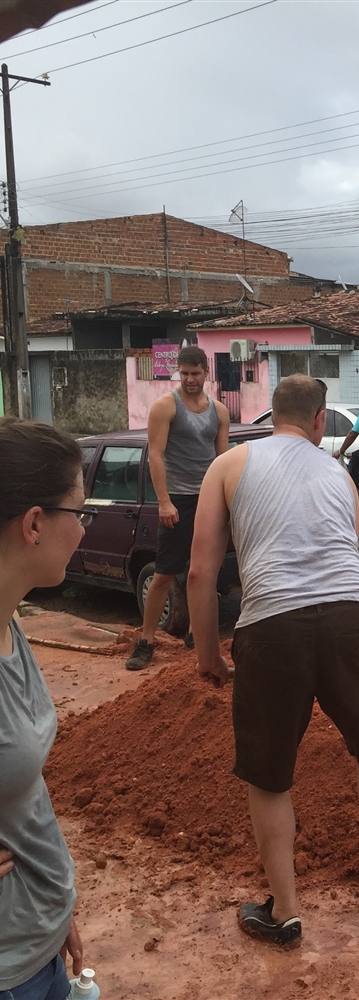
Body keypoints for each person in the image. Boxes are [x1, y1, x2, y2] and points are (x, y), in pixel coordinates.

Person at [187, 374, 359, 948]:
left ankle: (285, 913)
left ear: (270, 414)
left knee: (269, 775)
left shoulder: (228, 466)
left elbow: (201, 571)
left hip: (271, 625)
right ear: (318, 420)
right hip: (350, 618)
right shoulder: (339, 475)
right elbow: (342, 548)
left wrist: (208, 653)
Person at [0, 417, 88, 998]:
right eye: (79, 512)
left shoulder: (9, 623)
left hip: (38, 942)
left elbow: (22, 790)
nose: (82, 529)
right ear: (34, 524)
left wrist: (57, 907)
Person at [125, 345, 229, 670]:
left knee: (203, 573)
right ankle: (146, 641)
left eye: (195, 373)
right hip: (177, 500)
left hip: (208, 499)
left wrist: (227, 500)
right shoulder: (165, 406)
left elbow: (223, 459)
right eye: (184, 373)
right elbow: (155, 455)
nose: (189, 379)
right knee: (164, 574)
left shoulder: (219, 411)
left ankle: (196, 636)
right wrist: (164, 501)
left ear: (206, 373)